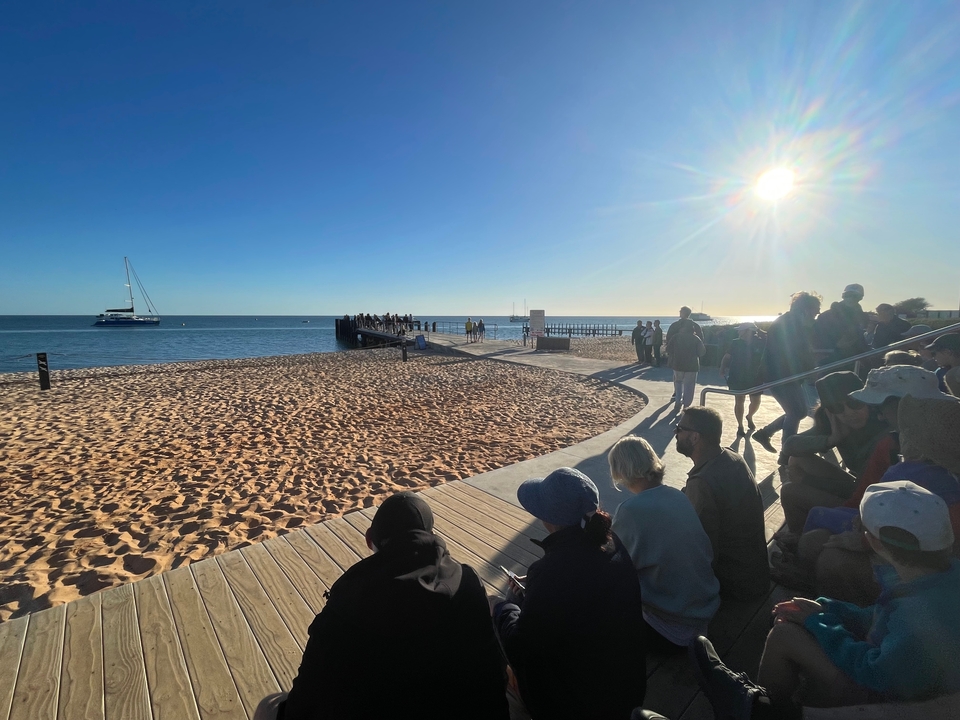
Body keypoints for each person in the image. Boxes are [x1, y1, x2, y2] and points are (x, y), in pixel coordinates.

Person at [692, 481, 960, 718]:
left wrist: (819, 623)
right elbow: (880, 619)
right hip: (907, 682)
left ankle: (759, 707)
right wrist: (830, 609)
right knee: (794, 624)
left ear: (873, 542)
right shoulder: (935, 580)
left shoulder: (919, 619)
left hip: (886, 699)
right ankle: (766, 703)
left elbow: (873, 671)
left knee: (784, 635)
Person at [255, 492, 509, 720]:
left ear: (370, 540)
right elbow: (493, 673)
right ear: (431, 536)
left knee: (269, 705)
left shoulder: (347, 601)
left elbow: (308, 695)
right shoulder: (468, 583)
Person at [492, 467, 648, 720]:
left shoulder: (552, 571)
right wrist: (535, 588)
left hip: (580, 706)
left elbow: (521, 649)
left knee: (503, 651)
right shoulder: (612, 542)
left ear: (550, 520)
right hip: (627, 691)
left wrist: (500, 608)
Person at [608, 435, 720, 651]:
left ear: (622, 471)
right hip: (703, 610)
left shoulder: (630, 510)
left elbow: (617, 565)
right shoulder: (677, 496)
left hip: (670, 626)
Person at [776, 371, 888, 535]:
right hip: (861, 486)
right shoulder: (835, 423)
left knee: (790, 491)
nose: (848, 412)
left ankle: (800, 541)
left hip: (874, 501)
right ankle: (807, 531)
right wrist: (830, 440)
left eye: (854, 403)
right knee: (798, 459)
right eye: (837, 407)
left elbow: (862, 489)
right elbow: (789, 446)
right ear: (829, 411)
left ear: (868, 400)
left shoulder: (882, 432)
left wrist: (808, 480)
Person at [676, 406, 769, 599]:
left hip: (733, 584)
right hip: (753, 572)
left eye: (679, 429)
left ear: (695, 437)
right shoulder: (731, 457)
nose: (675, 434)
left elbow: (701, 549)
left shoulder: (703, 483)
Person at [753, 292, 822, 453]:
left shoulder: (791, 322)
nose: (817, 313)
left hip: (785, 375)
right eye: (815, 310)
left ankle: (766, 433)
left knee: (799, 411)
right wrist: (809, 368)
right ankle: (787, 452)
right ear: (805, 309)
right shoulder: (790, 324)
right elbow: (791, 351)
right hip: (781, 375)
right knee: (796, 412)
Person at [720, 322, 766, 436]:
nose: (738, 332)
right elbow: (727, 356)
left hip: (755, 376)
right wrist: (722, 368)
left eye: (741, 330)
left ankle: (750, 416)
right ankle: (740, 426)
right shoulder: (736, 343)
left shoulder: (761, 342)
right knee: (739, 401)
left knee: (756, 401)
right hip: (737, 375)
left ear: (747, 331)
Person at [813, 283, 868, 368]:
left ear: (860, 298)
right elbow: (816, 339)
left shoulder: (862, 317)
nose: (851, 298)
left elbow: (861, 340)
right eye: (847, 295)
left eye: (855, 296)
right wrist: (836, 345)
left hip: (855, 361)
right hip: (830, 361)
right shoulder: (826, 316)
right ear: (843, 296)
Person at [667, 318, 706, 411]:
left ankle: (677, 401)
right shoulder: (696, 338)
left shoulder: (676, 337)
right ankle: (686, 405)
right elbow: (702, 352)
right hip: (692, 365)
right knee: (689, 385)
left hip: (678, 364)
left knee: (678, 383)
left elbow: (668, 349)